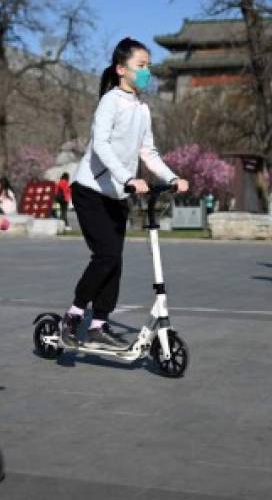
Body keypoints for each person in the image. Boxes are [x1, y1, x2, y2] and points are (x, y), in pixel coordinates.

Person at [62, 37, 189, 349]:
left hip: (117, 195)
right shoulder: (110, 101)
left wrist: (173, 177)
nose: (147, 72)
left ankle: (99, 324)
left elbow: (148, 151)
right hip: (91, 190)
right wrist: (127, 177)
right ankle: (73, 315)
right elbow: (101, 145)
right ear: (121, 69)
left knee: (114, 259)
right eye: (141, 66)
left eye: (149, 66)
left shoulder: (143, 109)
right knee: (105, 254)